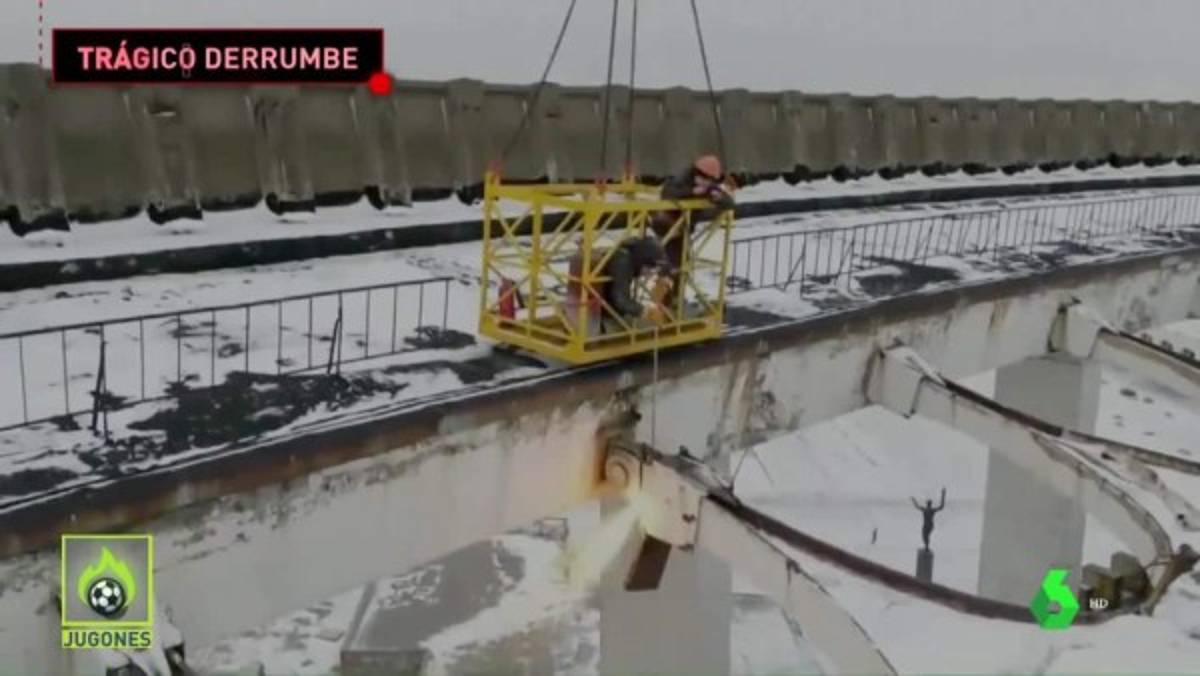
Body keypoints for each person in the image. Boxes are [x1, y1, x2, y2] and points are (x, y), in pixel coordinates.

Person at [652, 155, 736, 309]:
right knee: (672, 262)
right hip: (666, 225)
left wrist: (718, 197)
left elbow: (729, 203)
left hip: (683, 228)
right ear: (696, 173)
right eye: (705, 179)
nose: (707, 184)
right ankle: (664, 299)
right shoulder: (679, 181)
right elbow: (668, 193)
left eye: (710, 181)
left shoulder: (709, 187)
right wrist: (692, 192)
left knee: (682, 263)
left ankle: (673, 299)